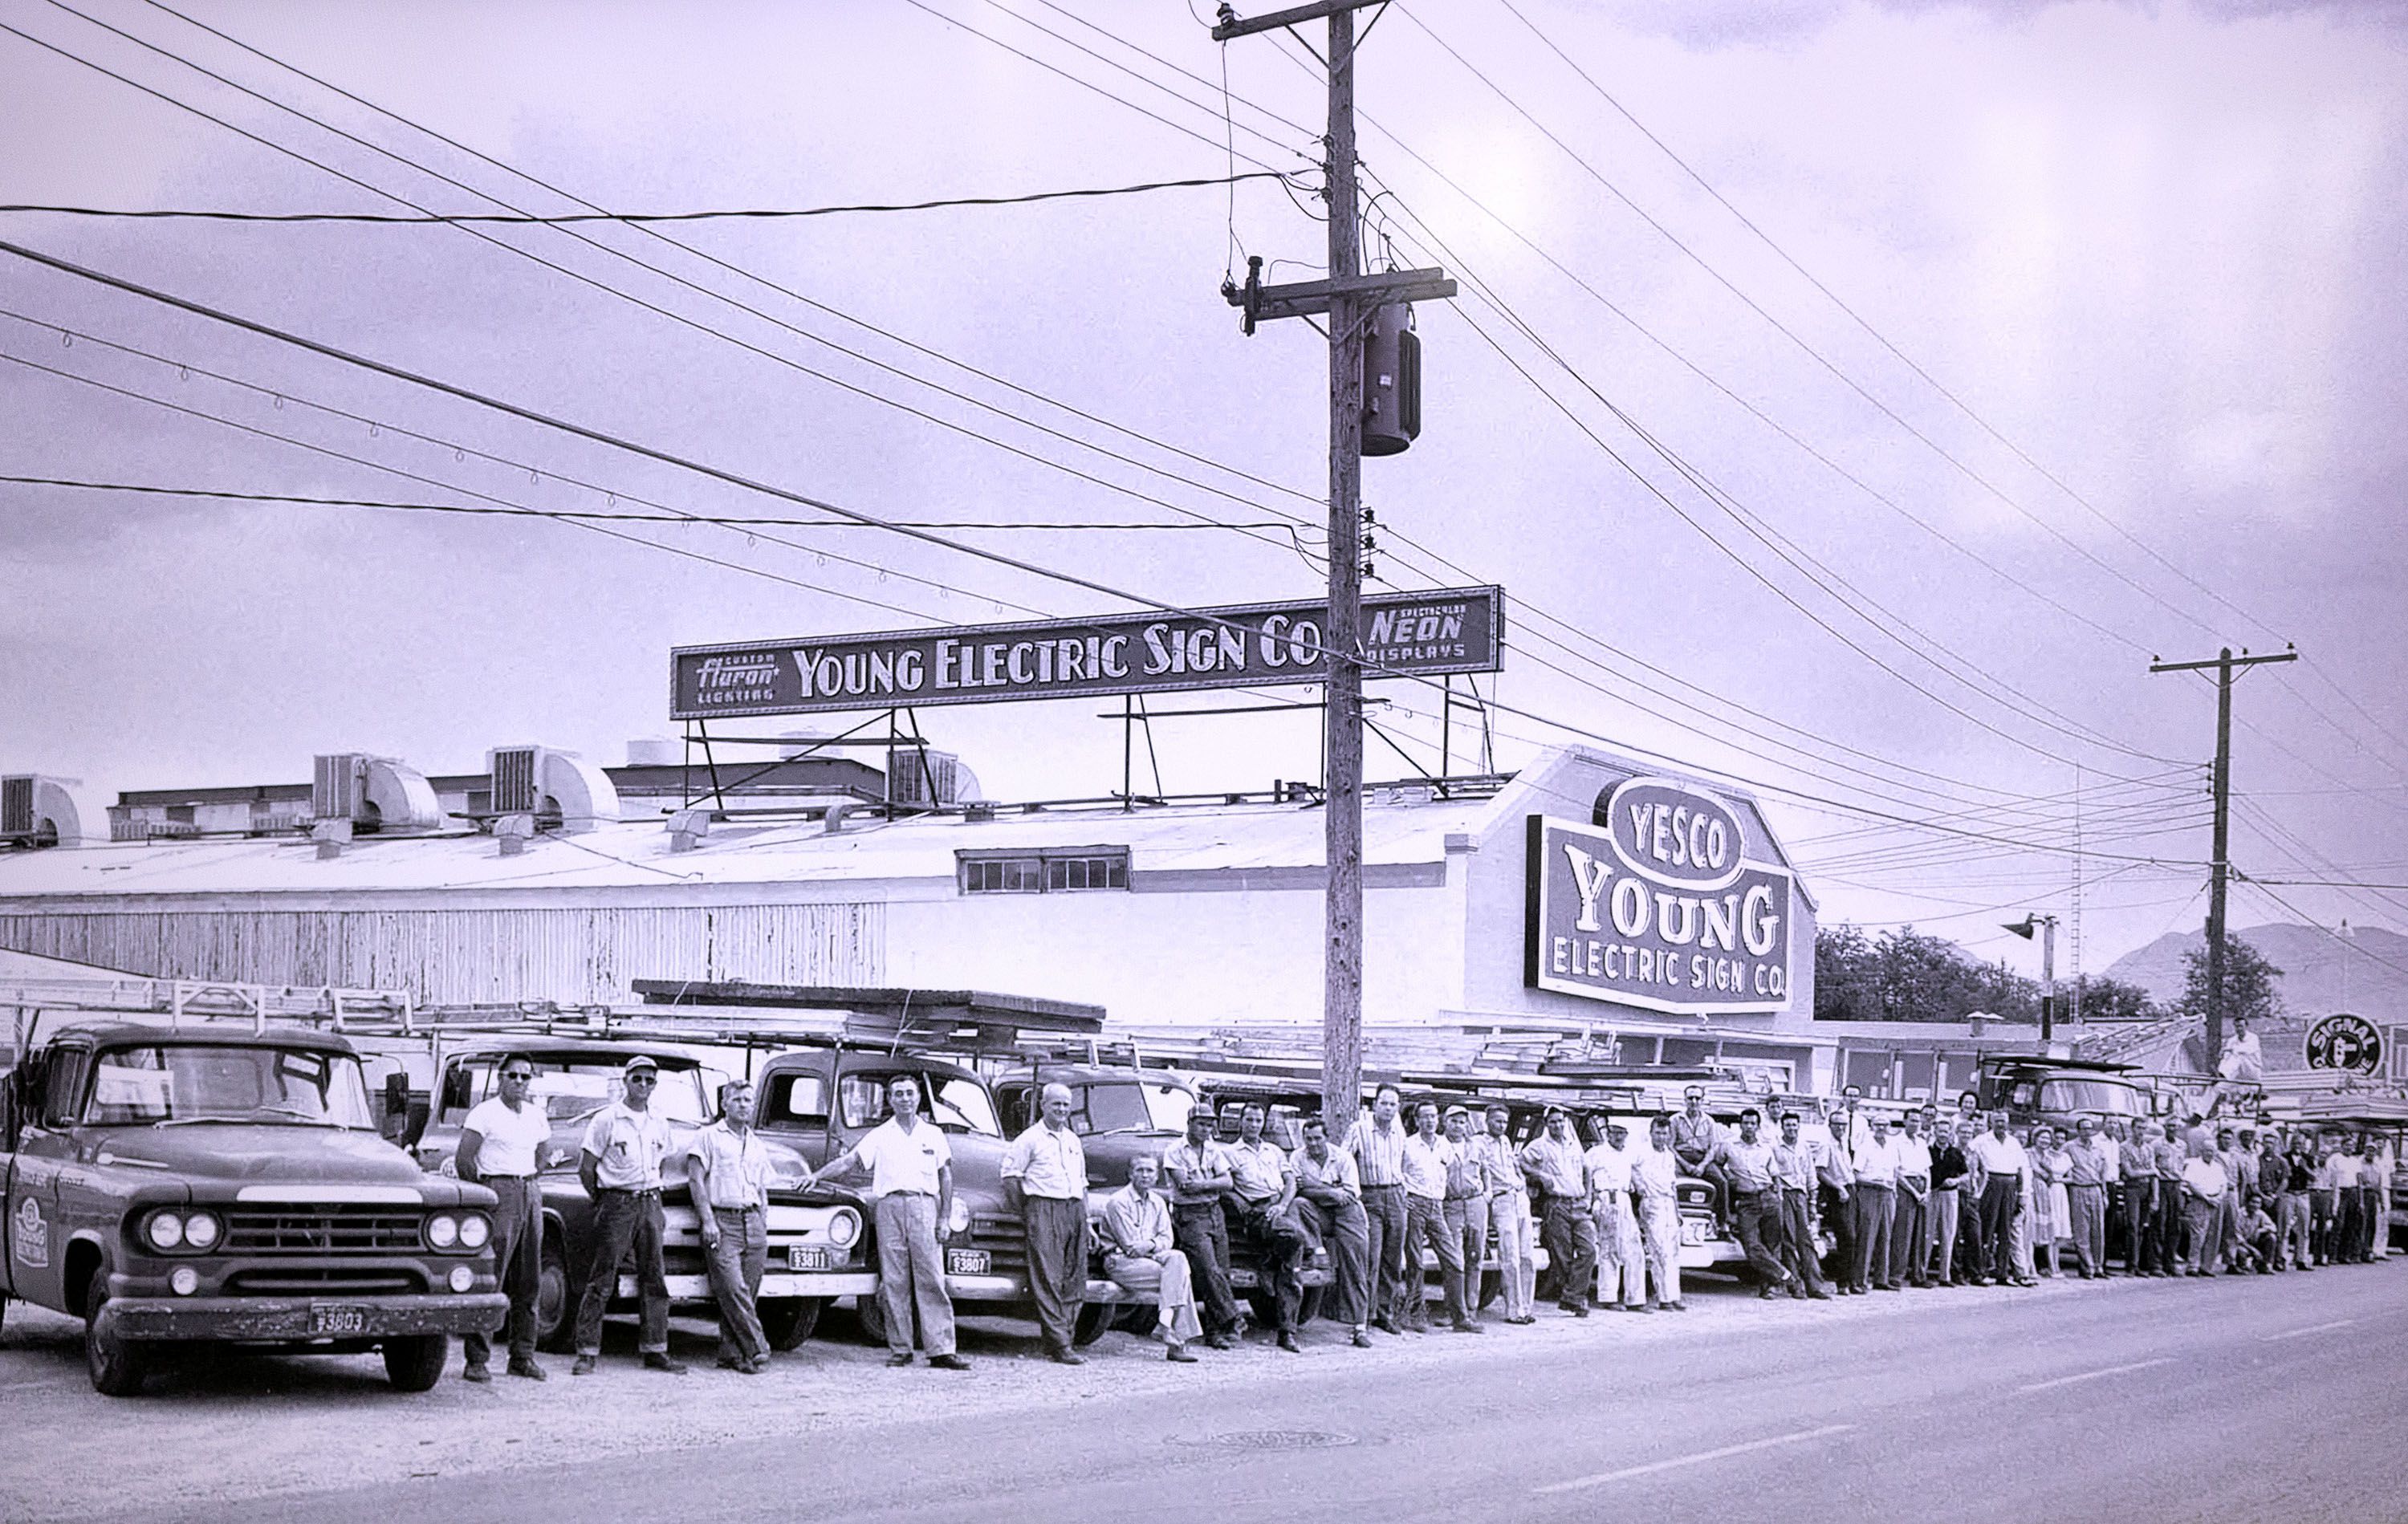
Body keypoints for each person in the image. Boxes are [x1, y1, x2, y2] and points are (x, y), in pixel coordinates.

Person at [805, 1074, 968, 1370]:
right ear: (890, 1100)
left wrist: (944, 1217)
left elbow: (945, 1175)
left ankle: (942, 1349)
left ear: (918, 1097)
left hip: (924, 1206)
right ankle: (901, 1348)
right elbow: (849, 1161)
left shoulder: (933, 1134)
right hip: (889, 1208)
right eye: (898, 1095)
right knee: (894, 1281)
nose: (905, 1099)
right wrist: (817, 1176)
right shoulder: (881, 1134)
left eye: (909, 1093)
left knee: (931, 1278)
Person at [571, 1055, 684, 1376]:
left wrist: (651, 1195)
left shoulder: (659, 1122)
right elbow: (587, 1168)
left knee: (654, 1277)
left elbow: (661, 1162)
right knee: (602, 1278)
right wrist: (605, 1199)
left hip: (650, 1202)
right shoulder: (607, 1119)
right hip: (617, 1203)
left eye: (650, 1080)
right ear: (626, 1081)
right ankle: (587, 1351)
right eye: (638, 1079)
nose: (644, 1086)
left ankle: (655, 1349)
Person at [455, 1051, 551, 1383]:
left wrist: (529, 1182)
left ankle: (523, 1355)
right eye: (514, 1076)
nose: (520, 1082)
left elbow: (542, 1153)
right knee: (492, 1278)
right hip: (499, 1193)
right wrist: (486, 1194)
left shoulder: (537, 1115)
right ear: (500, 1078)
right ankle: (477, 1359)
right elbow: (464, 1159)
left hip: (529, 1191)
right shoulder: (484, 1114)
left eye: (526, 1076)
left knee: (529, 1281)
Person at [689, 1079, 774, 1374]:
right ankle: (758, 1346)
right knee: (733, 1288)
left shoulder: (757, 1144)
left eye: (748, 1100)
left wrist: (763, 1217)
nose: (743, 1105)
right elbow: (696, 1180)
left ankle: (732, 1354)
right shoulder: (708, 1137)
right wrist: (708, 1220)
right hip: (722, 1220)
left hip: (753, 1221)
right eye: (737, 1099)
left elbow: (762, 1186)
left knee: (747, 1292)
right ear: (724, 1104)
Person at [1003, 1081, 1091, 1364]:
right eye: (1056, 1104)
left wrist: (1085, 1221)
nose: (1062, 1109)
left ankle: (1064, 1337)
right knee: (1049, 1279)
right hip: (1044, 1207)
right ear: (1043, 1105)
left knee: (1075, 1279)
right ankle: (1060, 1344)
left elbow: (1082, 1183)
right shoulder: (1029, 1139)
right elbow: (1010, 1177)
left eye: (1066, 1104)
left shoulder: (1073, 1140)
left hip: (1074, 1208)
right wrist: (1028, 1212)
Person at [1099, 1156, 1200, 1362]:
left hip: (1152, 1259)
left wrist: (1151, 1245)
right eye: (1140, 1170)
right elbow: (1130, 1245)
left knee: (1178, 1258)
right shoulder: (1118, 1202)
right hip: (1121, 1262)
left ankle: (1166, 1325)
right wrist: (1154, 1245)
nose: (1145, 1175)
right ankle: (1175, 1343)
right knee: (1180, 1278)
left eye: (1150, 1171)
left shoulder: (1159, 1202)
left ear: (1156, 1176)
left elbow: (1167, 1239)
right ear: (1130, 1174)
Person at [1226, 1103, 1309, 1351]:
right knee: (1296, 1237)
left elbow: (1290, 1180)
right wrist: (1242, 1202)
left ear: (1264, 1123)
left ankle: (1287, 1331)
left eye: (1258, 1120)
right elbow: (1225, 1185)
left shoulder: (1274, 1151)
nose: (1254, 1125)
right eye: (1249, 1120)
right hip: (1257, 1212)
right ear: (1241, 1122)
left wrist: (1283, 1204)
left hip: (1280, 1206)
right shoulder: (1230, 1153)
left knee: (1290, 1267)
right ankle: (1273, 1263)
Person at [1162, 1109, 1243, 1350]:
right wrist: (1211, 1184)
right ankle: (1233, 1317)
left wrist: (1203, 1185)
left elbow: (1228, 1182)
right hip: (1190, 1214)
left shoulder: (1214, 1150)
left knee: (1221, 1271)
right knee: (1208, 1269)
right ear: (1189, 1124)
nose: (1205, 1130)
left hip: (1214, 1211)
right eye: (1200, 1124)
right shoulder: (1174, 1151)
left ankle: (1215, 1332)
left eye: (1209, 1125)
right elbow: (1184, 1186)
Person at [1697, 1107, 1795, 1298]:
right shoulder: (1729, 1145)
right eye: (1745, 1123)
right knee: (1751, 1245)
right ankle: (1785, 1275)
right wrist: (1728, 1177)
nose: (1748, 1127)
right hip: (1746, 1200)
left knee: (1772, 1243)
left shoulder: (1766, 1148)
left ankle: (1769, 1287)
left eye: (1752, 1124)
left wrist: (1778, 1197)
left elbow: (1774, 1175)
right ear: (1740, 1125)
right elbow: (1716, 1165)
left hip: (1768, 1196)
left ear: (1758, 1126)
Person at [1296, 1116, 1374, 1347]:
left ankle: (1360, 1327)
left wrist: (1315, 1186)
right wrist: (1331, 1190)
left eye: (1318, 1138)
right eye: (1309, 1139)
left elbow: (1348, 1195)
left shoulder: (1342, 1157)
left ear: (1327, 1138)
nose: (1313, 1144)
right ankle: (1318, 1250)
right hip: (1320, 1210)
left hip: (1348, 1213)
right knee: (1299, 1205)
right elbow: (1300, 1188)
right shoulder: (1298, 1157)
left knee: (1356, 1267)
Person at [1342, 1085, 1411, 1335]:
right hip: (1369, 1195)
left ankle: (1385, 1312)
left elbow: (1404, 1164)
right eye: (1384, 1103)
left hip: (1395, 1195)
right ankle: (1365, 1315)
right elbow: (1344, 1162)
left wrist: (1405, 1191)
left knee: (1392, 1259)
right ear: (1375, 1104)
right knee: (1372, 1256)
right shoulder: (1358, 1129)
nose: (1388, 1108)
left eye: (1393, 1104)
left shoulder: (1399, 1132)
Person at [1400, 1102, 1474, 1334]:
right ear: (1417, 1120)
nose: (1430, 1121)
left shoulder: (1445, 1146)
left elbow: (1453, 1172)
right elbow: (1397, 1172)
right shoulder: (1407, 1145)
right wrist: (1404, 1196)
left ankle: (1460, 1317)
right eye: (1425, 1117)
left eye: (1433, 1117)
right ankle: (1415, 1313)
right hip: (1415, 1204)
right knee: (1416, 1261)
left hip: (1437, 1206)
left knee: (1453, 1260)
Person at [1521, 1108, 1598, 1316]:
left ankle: (1571, 1296)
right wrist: (1540, 1175)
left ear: (1566, 1123)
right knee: (1562, 1254)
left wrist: (1588, 1197)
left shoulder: (1574, 1144)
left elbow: (1587, 1169)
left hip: (1579, 1204)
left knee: (1589, 1250)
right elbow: (1520, 1162)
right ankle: (1577, 1300)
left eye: (1560, 1122)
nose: (1557, 1126)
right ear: (1547, 1124)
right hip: (1557, 1204)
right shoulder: (1539, 1146)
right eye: (1553, 1122)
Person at [1470, 1105, 1536, 1325]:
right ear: (1487, 1121)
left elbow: (1515, 1165)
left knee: (1527, 1254)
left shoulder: (1506, 1142)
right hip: (1501, 1199)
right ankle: (1514, 1310)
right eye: (1497, 1121)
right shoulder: (1478, 1143)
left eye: (1504, 1122)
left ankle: (1526, 1307)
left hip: (1519, 1197)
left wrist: (1522, 1184)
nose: (1501, 1125)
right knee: (1511, 1256)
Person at [1587, 1116, 1646, 1310]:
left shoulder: (1629, 1154)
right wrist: (1591, 1198)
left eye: (1621, 1133)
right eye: (1614, 1132)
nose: (1618, 1136)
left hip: (1625, 1199)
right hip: (1606, 1198)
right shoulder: (1597, 1152)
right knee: (1609, 1249)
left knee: (1634, 1249)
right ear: (1608, 1133)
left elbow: (1638, 1171)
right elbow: (1585, 1173)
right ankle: (1608, 1297)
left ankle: (1635, 1299)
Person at [1439, 1108, 1491, 1331]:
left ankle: (1471, 1309)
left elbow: (1486, 1171)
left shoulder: (1476, 1146)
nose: (1458, 1126)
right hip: (1451, 1204)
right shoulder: (1439, 1145)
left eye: (1462, 1122)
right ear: (1445, 1122)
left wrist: (1488, 1193)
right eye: (1453, 1121)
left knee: (1476, 1256)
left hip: (1476, 1202)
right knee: (1454, 1259)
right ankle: (1453, 1311)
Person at [1770, 1112, 1829, 1298]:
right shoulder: (1775, 1148)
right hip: (1784, 1195)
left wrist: (1812, 1202)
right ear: (1782, 1127)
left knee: (1807, 1240)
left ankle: (1815, 1286)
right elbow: (1774, 1175)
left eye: (1795, 1125)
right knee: (1788, 1240)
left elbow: (1811, 1175)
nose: (1792, 1129)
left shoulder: (1804, 1147)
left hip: (1801, 1196)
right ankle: (1795, 1285)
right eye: (1788, 1125)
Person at [1968, 1111, 2029, 1286]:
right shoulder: (1982, 1140)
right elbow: (1970, 1157)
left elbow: (2020, 1170)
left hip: (2010, 1185)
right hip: (1991, 1183)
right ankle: (1983, 1271)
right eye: (1997, 1121)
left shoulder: (2013, 1142)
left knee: (2005, 1231)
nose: (2001, 1125)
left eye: (2004, 1121)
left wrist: (2022, 1194)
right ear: (1991, 1123)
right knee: (1987, 1229)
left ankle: (2002, 1273)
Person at [1633, 1115, 1686, 1311]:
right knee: (1660, 1251)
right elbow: (1629, 1168)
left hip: (1668, 1204)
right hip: (1651, 1203)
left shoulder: (1669, 1156)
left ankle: (1674, 1296)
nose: (1661, 1137)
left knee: (1673, 1251)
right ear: (1651, 1133)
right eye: (1657, 1133)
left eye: (1665, 1133)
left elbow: (1673, 1185)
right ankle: (1664, 1298)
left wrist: (1677, 1210)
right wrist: (1639, 1186)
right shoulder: (1641, 1152)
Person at [1850, 1112, 1902, 1293]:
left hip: (1888, 1194)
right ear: (1872, 1126)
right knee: (1867, 1237)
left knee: (1886, 1236)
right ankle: (1860, 1281)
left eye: (1885, 1125)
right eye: (1878, 1124)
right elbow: (1855, 1176)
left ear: (1889, 1128)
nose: (1881, 1128)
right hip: (1870, 1192)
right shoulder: (1864, 1147)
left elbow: (1895, 1171)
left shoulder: (1892, 1146)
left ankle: (1882, 1278)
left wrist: (1893, 1190)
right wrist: (1875, 1183)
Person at [2064, 1117, 2114, 1279]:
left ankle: (2099, 1266)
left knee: (2097, 1230)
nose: (2087, 1131)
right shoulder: (2069, 1147)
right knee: (2081, 1230)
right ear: (2078, 1131)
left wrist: (2105, 1193)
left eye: (2090, 1128)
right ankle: (2088, 1266)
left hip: (2096, 1189)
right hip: (2079, 1188)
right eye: (2084, 1128)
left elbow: (2103, 1173)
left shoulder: (2098, 1149)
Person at [1891, 1111, 1933, 1289]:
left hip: (1922, 1187)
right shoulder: (1896, 1142)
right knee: (1903, 1234)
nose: (1915, 1124)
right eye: (1912, 1120)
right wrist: (1915, 1193)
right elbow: (1897, 1172)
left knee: (1920, 1235)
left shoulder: (1922, 1143)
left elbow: (1927, 1169)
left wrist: (1927, 1190)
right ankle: (1896, 1275)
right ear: (1905, 1121)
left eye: (1918, 1121)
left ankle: (1919, 1275)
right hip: (1906, 1187)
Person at [1816, 1110, 1857, 1292]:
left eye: (1843, 1125)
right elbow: (1821, 1171)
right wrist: (1839, 1188)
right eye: (1837, 1124)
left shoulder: (1844, 1144)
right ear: (1830, 1126)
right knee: (1846, 1237)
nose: (1840, 1128)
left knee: (1853, 1238)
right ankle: (1842, 1282)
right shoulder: (1827, 1145)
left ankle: (1849, 1280)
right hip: (1837, 1193)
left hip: (1850, 1190)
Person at [1670, 1087, 1727, 1213]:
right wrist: (1686, 1165)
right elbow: (1670, 1146)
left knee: (1721, 1182)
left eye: (1697, 1098)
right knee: (1671, 1180)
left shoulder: (1709, 1121)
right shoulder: (1675, 1120)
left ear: (1702, 1101)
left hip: (1703, 1159)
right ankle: (1675, 1215)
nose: (1694, 1101)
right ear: (1685, 1100)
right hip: (1681, 1158)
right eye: (1690, 1098)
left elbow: (1713, 1147)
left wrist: (1702, 1166)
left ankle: (1723, 1222)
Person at [1928, 1113, 1969, 1286]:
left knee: (1948, 1235)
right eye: (1940, 1131)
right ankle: (1921, 1274)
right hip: (1932, 1194)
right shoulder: (1928, 1151)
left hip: (1951, 1195)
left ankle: (1944, 1276)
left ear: (1951, 1133)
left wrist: (1957, 1180)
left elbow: (1966, 1174)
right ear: (1935, 1132)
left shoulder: (1956, 1153)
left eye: (1946, 1131)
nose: (1943, 1134)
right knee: (1928, 1235)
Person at [2180, 1138, 2228, 1276]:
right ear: (2201, 1150)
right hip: (2200, 1201)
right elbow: (2191, 1184)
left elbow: (2224, 1185)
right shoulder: (2193, 1164)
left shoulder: (2218, 1167)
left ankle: (2206, 1266)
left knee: (2213, 1234)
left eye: (2212, 1151)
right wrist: (2206, 1198)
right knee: (2198, 1235)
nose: (2210, 1153)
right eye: (2207, 1150)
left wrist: (2218, 1197)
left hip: (2216, 1201)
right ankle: (2193, 1266)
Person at [2118, 1120, 2158, 1276]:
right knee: (2132, 1226)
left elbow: (2154, 1174)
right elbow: (2130, 1172)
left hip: (2146, 1188)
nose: (2141, 1131)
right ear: (2132, 1129)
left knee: (2142, 1227)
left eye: (2144, 1128)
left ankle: (2138, 1264)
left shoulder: (2148, 1148)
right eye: (2138, 1128)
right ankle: (2130, 1265)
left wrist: (2155, 1197)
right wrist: (2150, 1172)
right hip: (2132, 1188)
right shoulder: (2124, 1147)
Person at [2150, 1119, 2189, 1276]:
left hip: (2176, 1185)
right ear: (2164, 1127)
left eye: (2176, 1126)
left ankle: (2170, 1262)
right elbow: (2153, 1167)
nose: (2173, 1129)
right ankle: (2156, 1264)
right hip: (2162, 1183)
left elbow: (2183, 1166)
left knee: (2175, 1226)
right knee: (2159, 1224)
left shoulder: (2182, 1145)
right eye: (2170, 1125)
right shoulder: (2156, 1144)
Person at [2028, 1126, 2067, 1279]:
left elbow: (2051, 1177)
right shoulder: (2029, 1154)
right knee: (2031, 1232)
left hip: (2045, 1193)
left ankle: (2052, 1268)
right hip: (2032, 1190)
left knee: (2048, 1232)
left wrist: (2047, 1175)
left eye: (2047, 1138)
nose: (2044, 1141)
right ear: (2035, 1138)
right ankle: (2031, 1269)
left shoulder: (2049, 1157)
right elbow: (2035, 1172)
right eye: (2041, 1137)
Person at [2276, 1132, 2315, 1271]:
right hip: (2289, 1194)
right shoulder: (2283, 1158)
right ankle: (2281, 1259)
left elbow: (2313, 1177)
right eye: (2295, 1143)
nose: (2297, 1146)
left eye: (2300, 1143)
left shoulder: (2308, 1158)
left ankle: (2301, 1259)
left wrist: (2305, 1167)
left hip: (2303, 1194)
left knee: (2304, 1228)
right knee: (2284, 1227)